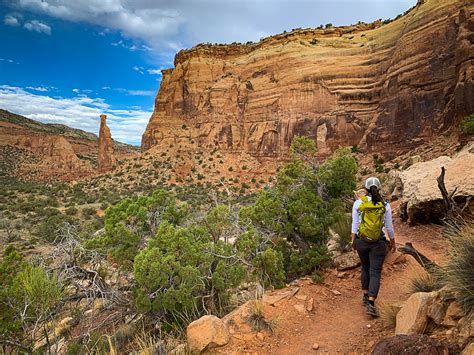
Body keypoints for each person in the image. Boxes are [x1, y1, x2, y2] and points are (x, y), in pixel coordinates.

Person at [351, 177, 396, 317]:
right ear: (379, 188)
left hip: (361, 241)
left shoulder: (358, 203)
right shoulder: (385, 205)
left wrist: (353, 242)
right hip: (378, 243)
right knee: (375, 272)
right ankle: (371, 303)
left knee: (365, 267)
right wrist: (393, 242)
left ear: (365, 189)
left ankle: (365, 295)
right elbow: (389, 226)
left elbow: (355, 225)